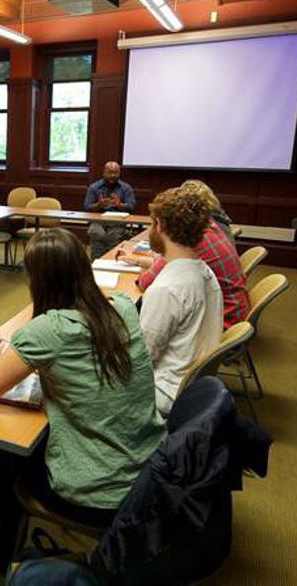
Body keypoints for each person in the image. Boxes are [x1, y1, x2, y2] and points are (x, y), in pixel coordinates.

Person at [0, 227, 165, 567]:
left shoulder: (49, 330)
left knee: (8, 439)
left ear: (38, 281)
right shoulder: (121, 306)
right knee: (30, 429)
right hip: (147, 472)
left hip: (98, 495)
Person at [139, 186, 224, 416]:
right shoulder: (205, 272)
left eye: (151, 223)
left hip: (164, 390)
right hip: (195, 385)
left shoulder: (165, 289)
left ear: (159, 225)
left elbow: (141, 361)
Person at [124, 181, 248, 329]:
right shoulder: (209, 227)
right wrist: (138, 261)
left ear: (160, 224)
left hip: (220, 323)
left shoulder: (188, 243)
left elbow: (145, 282)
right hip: (228, 312)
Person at [84, 161, 137, 258]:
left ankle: (111, 261)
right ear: (104, 172)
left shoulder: (126, 188)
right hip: (98, 221)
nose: (113, 175)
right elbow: (87, 207)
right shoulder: (94, 187)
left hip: (118, 222)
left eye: (116, 172)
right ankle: (96, 261)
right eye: (110, 172)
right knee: (96, 233)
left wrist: (120, 205)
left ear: (119, 173)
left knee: (113, 236)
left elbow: (132, 207)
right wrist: (99, 205)